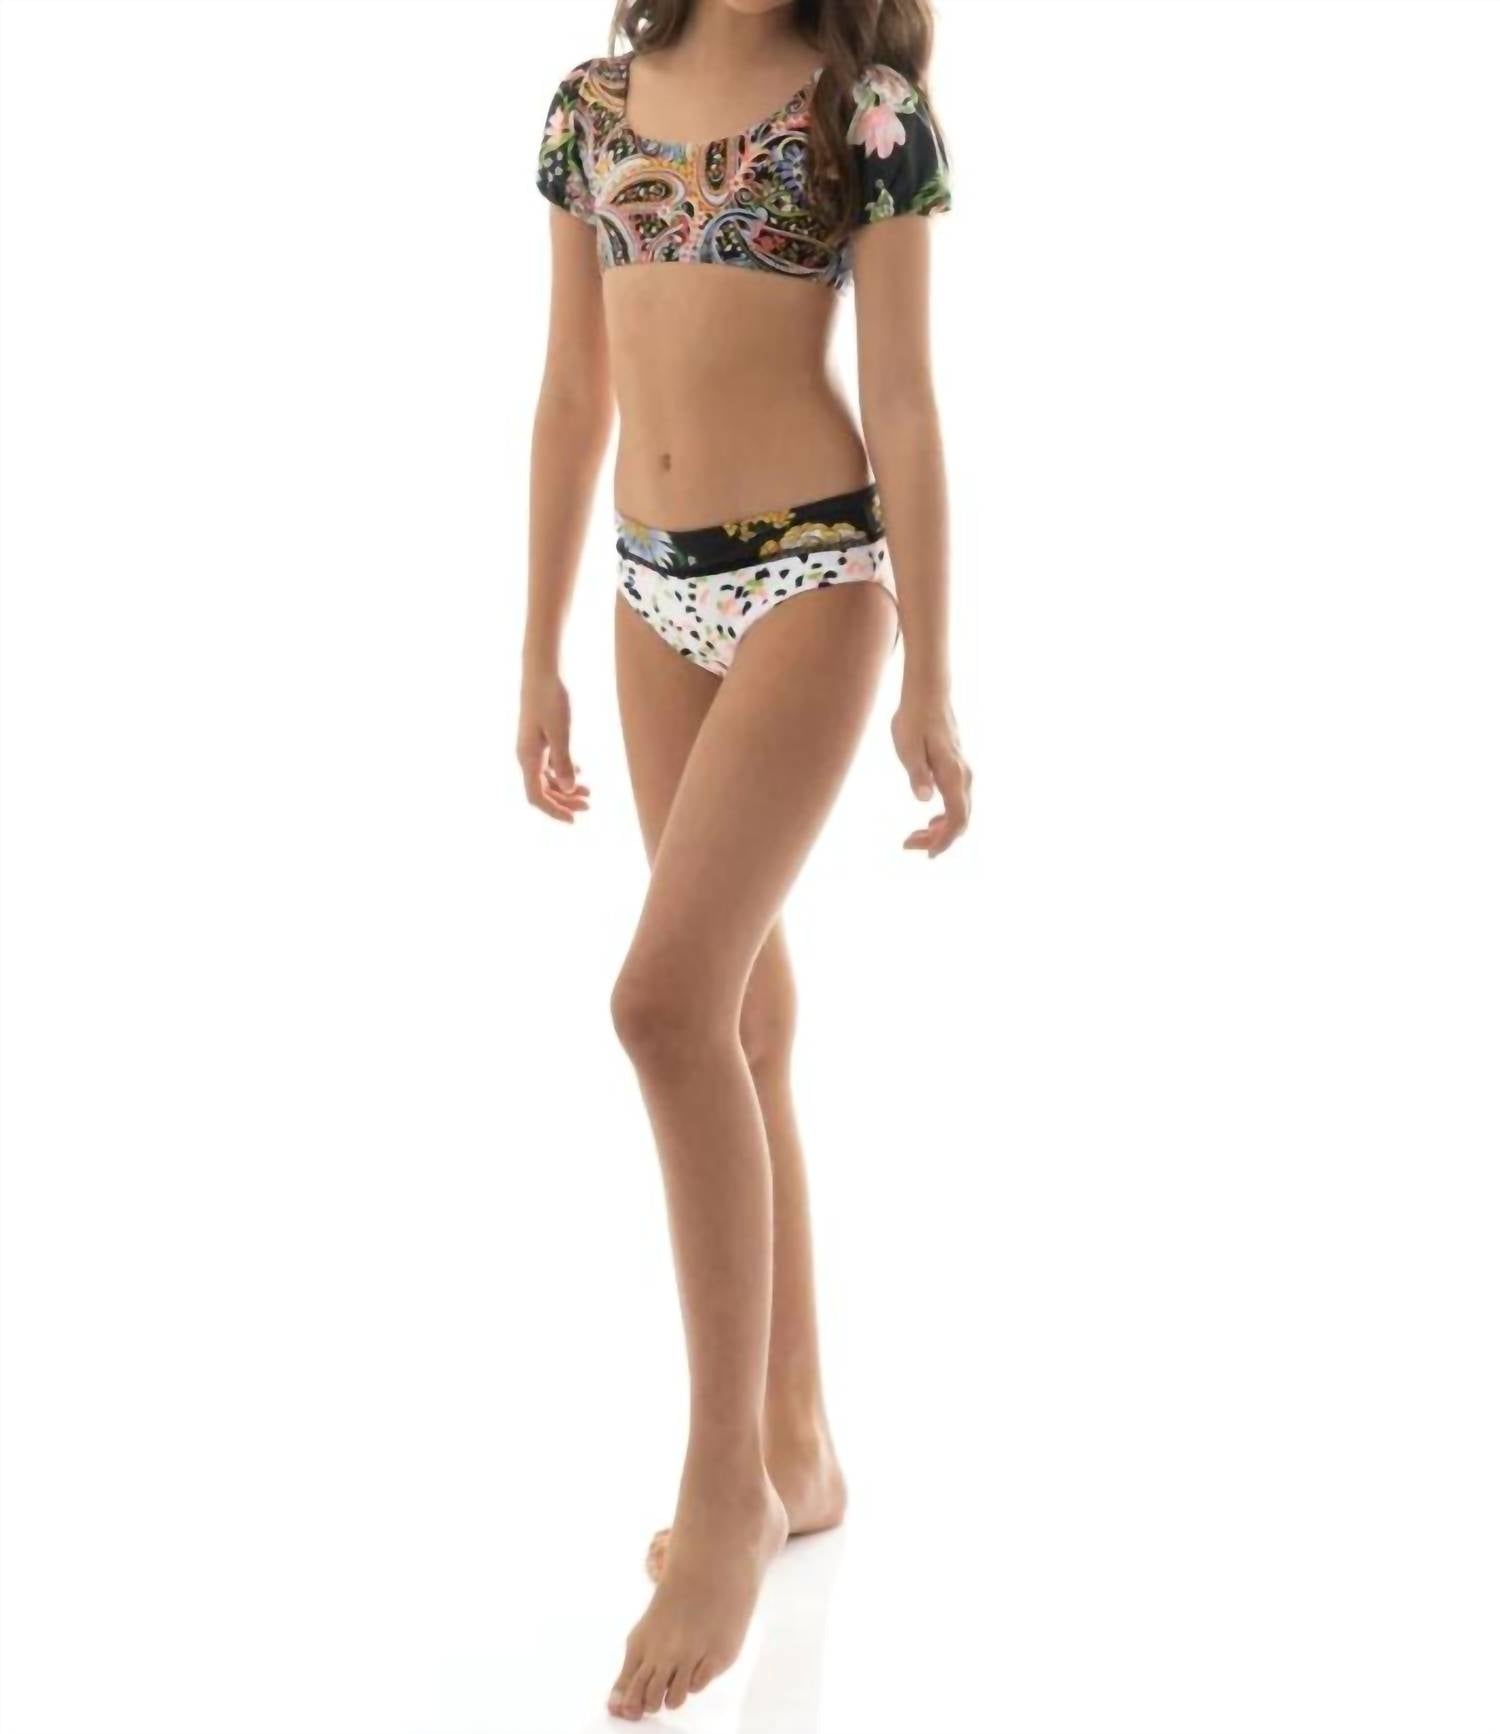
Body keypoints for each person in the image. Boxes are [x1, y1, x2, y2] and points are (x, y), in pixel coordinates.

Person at [521, 0, 972, 1718]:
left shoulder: (867, 111)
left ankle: (725, 1491)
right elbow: (574, 391)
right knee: (744, 1024)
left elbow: (907, 406)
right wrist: (536, 649)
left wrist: (932, 670)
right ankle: (798, 1441)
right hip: (651, 595)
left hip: (810, 581)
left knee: (662, 1005)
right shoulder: (590, 105)